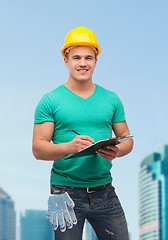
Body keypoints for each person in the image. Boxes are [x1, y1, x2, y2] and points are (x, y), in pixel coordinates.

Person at [32, 26, 133, 240]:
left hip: (105, 190)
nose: (83, 63)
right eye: (76, 57)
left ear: (96, 61)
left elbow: (127, 139)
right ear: (66, 60)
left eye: (89, 57)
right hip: (65, 193)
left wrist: (117, 150)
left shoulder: (111, 99)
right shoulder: (50, 100)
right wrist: (70, 147)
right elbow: (38, 149)